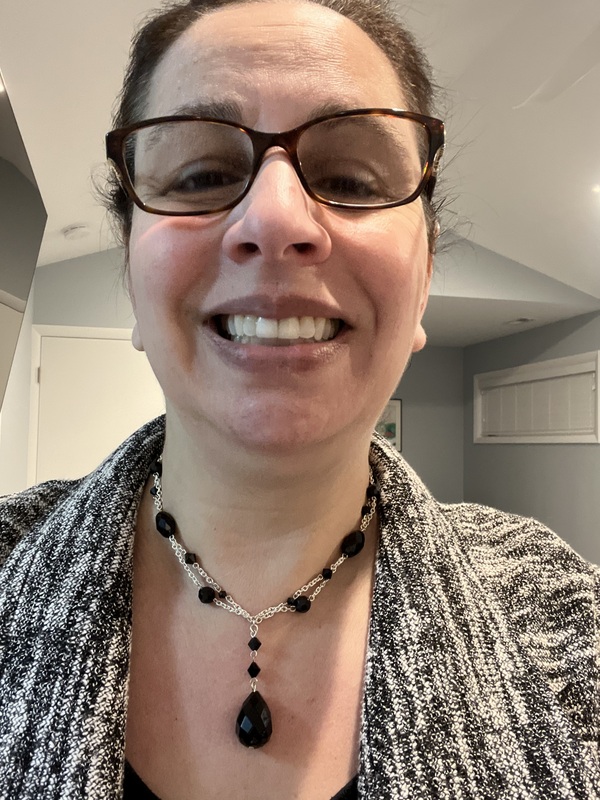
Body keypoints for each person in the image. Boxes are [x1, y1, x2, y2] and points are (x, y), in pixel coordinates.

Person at [0, 0, 599, 797]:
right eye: (203, 175)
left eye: (350, 179)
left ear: (424, 279)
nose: (277, 218)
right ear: (132, 278)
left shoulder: (565, 621)